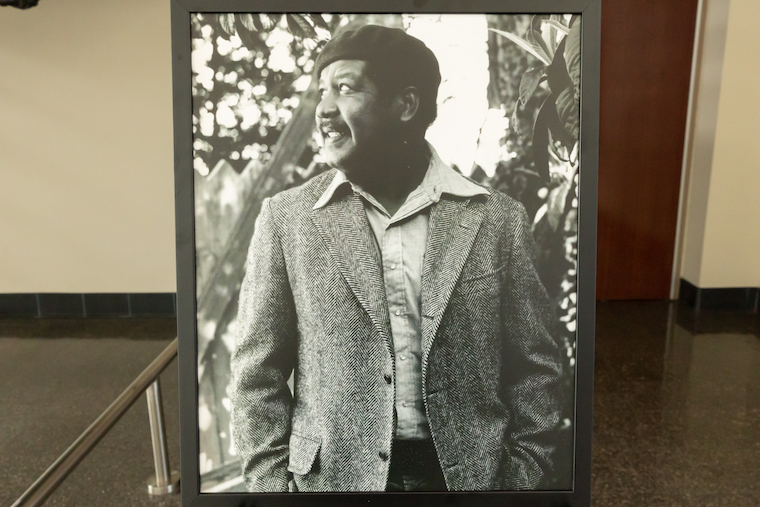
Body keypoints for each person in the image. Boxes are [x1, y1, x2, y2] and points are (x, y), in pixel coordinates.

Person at [231, 24, 564, 493]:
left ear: (405, 105)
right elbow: (255, 376)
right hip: (333, 483)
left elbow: (536, 368)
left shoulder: (497, 220)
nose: (323, 110)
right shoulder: (287, 220)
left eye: (344, 89)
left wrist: (519, 479)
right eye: (321, 91)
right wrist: (273, 488)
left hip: (471, 481)